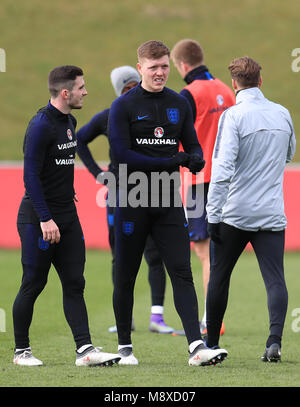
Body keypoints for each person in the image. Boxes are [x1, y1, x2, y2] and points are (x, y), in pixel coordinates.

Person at [107, 40, 228, 366]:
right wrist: (171, 161)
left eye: (164, 66)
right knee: (126, 274)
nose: (160, 72)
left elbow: (192, 145)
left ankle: (196, 347)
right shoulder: (124, 106)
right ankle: (124, 347)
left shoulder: (179, 102)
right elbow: (121, 155)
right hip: (132, 199)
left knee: (182, 270)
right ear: (141, 67)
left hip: (168, 200)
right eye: (153, 67)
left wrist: (197, 160)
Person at [13, 65, 120, 367]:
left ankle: (84, 350)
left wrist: (61, 215)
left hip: (68, 216)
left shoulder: (70, 121)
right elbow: (30, 177)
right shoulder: (40, 126)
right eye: (81, 87)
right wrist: (46, 218)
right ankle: (22, 351)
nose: (86, 91)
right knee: (33, 282)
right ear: (65, 92)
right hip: (38, 218)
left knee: (75, 282)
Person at [205, 56, 296, 362]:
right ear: (260, 80)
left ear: (234, 84)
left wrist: (212, 213)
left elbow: (222, 169)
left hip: (235, 212)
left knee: (219, 276)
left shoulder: (233, 116)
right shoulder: (282, 113)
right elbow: (289, 153)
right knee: (275, 279)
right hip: (271, 213)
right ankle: (274, 342)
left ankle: (212, 343)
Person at [76, 65, 173, 334]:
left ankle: (157, 318)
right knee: (121, 257)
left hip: (152, 192)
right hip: (120, 196)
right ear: (120, 91)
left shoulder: (155, 113)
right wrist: (99, 174)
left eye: (135, 86)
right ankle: (125, 319)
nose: (132, 92)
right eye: (127, 88)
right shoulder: (111, 116)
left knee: (155, 255)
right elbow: (79, 140)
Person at [170, 39, 235, 336]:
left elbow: (178, 137)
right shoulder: (225, 89)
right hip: (228, 179)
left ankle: (211, 320)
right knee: (218, 252)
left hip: (198, 181)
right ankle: (214, 317)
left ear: (182, 65)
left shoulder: (188, 94)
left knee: (205, 253)